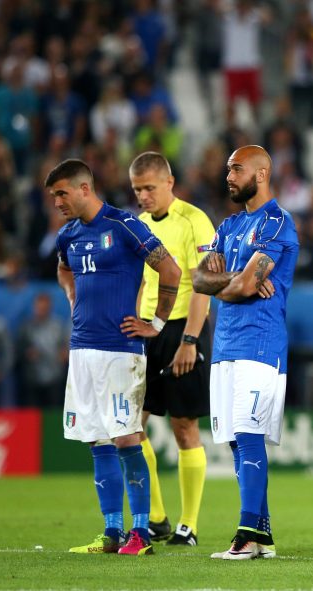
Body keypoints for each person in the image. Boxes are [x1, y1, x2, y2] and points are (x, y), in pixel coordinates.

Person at [50, 159, 182, 556]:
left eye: (62, 193)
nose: (57, 202)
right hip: (83, 350)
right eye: (53, 195)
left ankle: (140, 535)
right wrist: (73, 299)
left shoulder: (124, 226)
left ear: (84, 189)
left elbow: (172, 271)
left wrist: (156, 324)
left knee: (127, 436)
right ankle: (111, 532)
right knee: (97, 439)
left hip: (120, 351)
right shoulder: (67, 235)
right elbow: (63, 270)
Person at [192, 145, 298, 560]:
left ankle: (247, 534)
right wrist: (237, 279)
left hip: (260, 342)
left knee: (249, 436)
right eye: (227, 169)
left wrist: (232, 281)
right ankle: (263, 534)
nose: (229, 176)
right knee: (236, 441)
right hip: (226, 346)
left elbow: (240, 287)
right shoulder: (230, 224)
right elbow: (200, 280)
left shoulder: (277, 223)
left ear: (262, 172)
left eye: (237, 169)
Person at [129, 151, 217, 546]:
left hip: (184, 328)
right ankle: (157, 516)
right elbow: (144, 284)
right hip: (148, 331)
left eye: (149, 188)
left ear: (169, 182)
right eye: (137, 189)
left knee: (183, 426)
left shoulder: (195, 221)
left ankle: (189, 524)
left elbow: (204, 286)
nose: (143, 196)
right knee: (132, 426)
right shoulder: (140, 225)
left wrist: (190, 340)